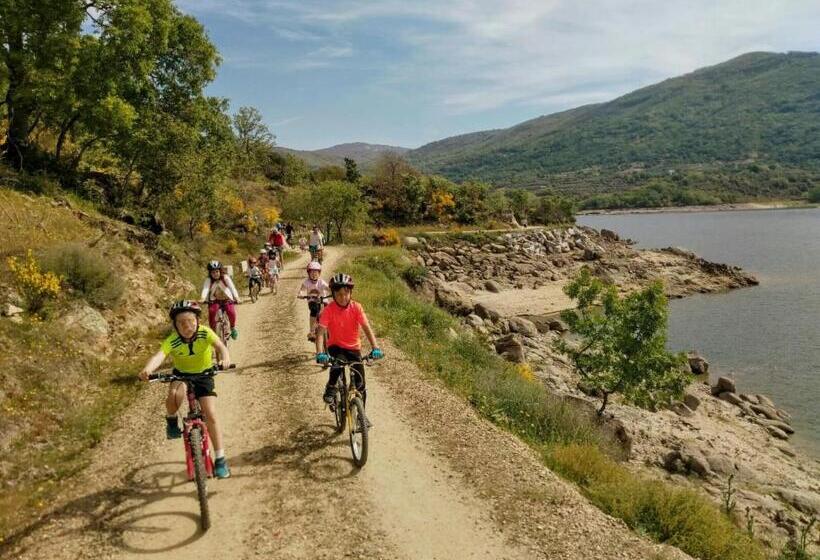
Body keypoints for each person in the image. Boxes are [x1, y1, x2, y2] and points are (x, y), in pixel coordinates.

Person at [139, 300, 232, 478]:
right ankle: (172, 420)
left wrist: (225, 358)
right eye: (181, 323)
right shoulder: (172, 341)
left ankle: (220, 459)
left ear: (198, 320)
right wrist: (148, 369)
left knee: (210, 413)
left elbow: (220, 346)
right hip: (181, 375)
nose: (187, 326)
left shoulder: (205, 333)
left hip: (204, 375)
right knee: (174, 395)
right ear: (175, 325)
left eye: (191, 321)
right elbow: (160, 355)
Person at [315, 273, 383, 406]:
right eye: (339, 294)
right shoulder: (328, 310)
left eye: (346, 293)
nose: (343, 297)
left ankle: (360, 417)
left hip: (353, 348)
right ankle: (331, 386)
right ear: (333, 295)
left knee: (360, 384)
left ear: (351, 293)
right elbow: (321, 333)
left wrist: (376, 347)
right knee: (337, 364)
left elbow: (366, 328)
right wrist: (320, 353)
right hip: (336, 346)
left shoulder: (356, 307)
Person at [201, 261, 240, 340]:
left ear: (220, 271)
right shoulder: (209, 280)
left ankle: (232, 328)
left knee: (231, 312)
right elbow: (205, 289)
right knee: (212, 312)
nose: (215, 274)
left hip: (227, 299)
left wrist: (237, 297)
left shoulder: (225, 278)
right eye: (213, 272)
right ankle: (213, 332)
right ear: (210, 273)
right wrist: (202, 298)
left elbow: (232, 288)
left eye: (217, 271)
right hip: (215, 300)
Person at [297, 260, 330, 341]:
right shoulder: (306, 282)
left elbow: (328, 288)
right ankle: (312, 331)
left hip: (323, 300)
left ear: (319, 273)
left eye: (316, 272)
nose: (314, 274)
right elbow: (302, 290)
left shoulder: (321, 282)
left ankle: (331, 329)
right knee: (314, 311)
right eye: (312, 272)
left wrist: (334, 291)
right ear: (308, 273)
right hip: (312, 301)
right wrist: (300, 294)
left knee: (329, 312)